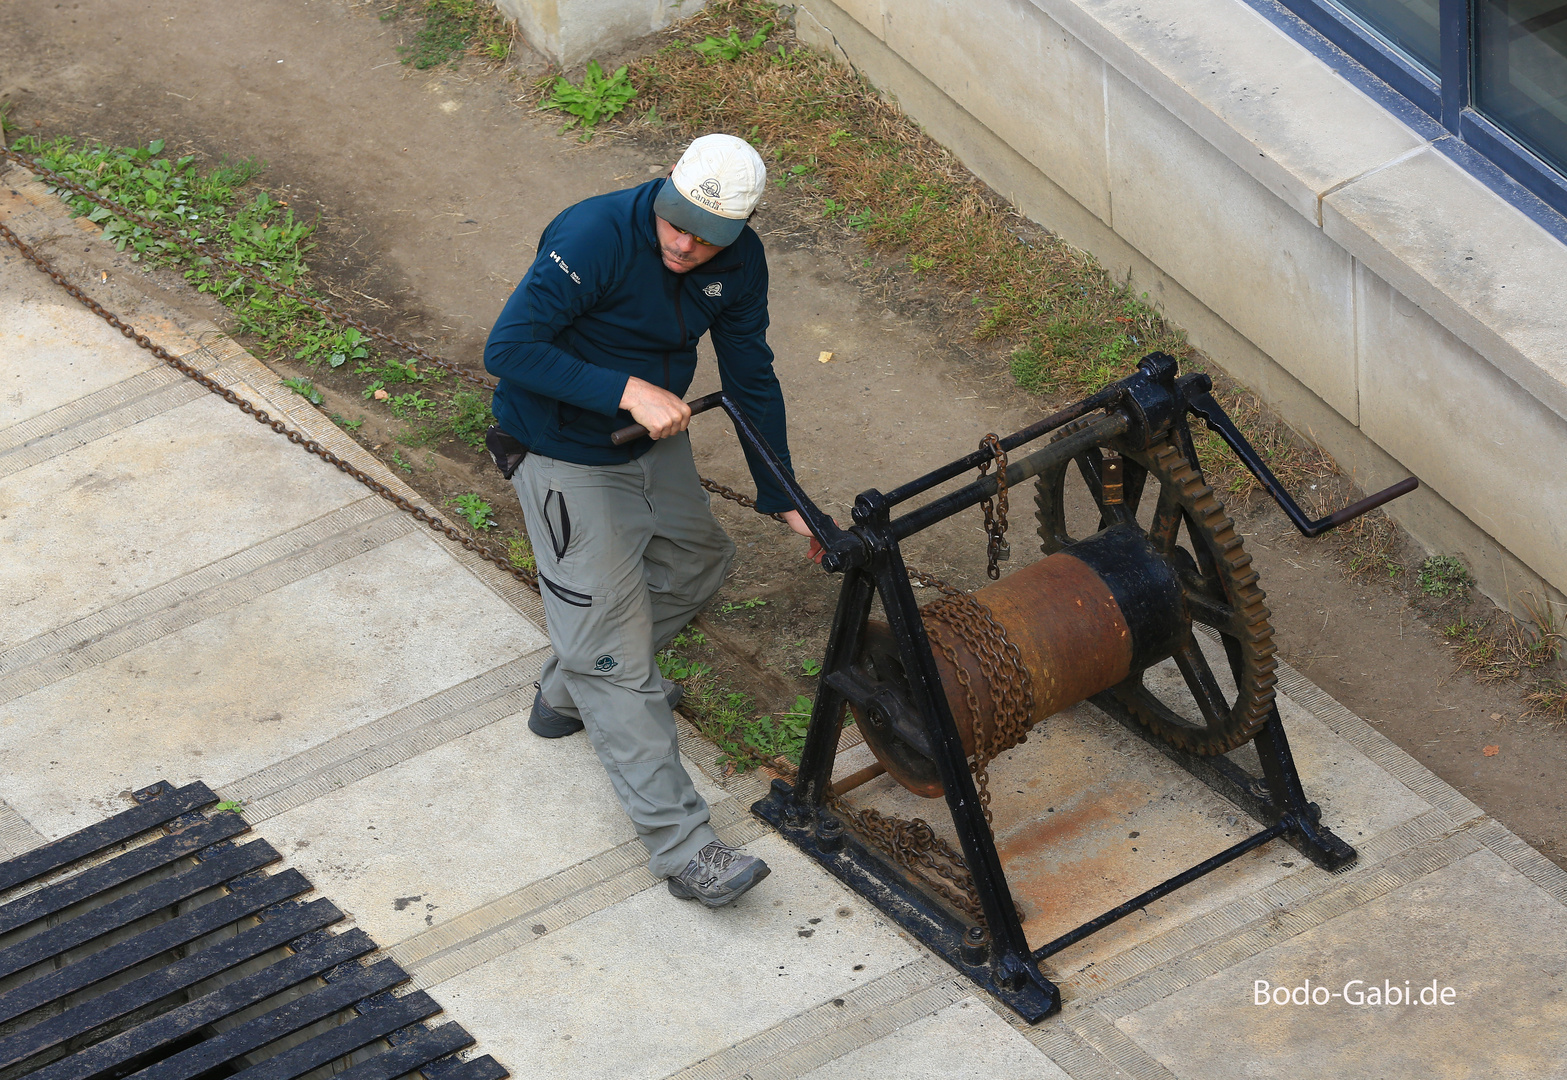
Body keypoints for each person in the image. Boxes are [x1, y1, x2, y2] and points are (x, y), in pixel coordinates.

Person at [483, 134, 813, 908]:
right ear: (665, 187)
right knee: (615, 660)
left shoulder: (739, 259)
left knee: (697, 562)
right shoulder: (593, 234)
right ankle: (685, 850)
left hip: (647, 439)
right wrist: (626, 389)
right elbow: (510, 347)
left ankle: (568, 689)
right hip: (561, 446)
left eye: (709, 237)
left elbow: (749, 372)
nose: (686, 244)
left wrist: (787, 495)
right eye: (676, 223)